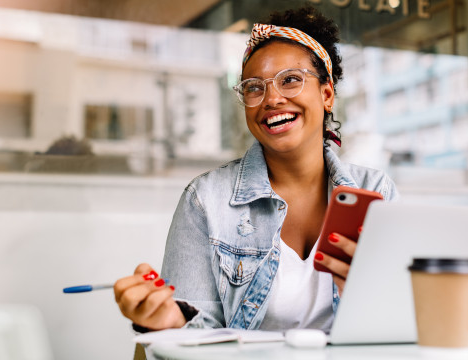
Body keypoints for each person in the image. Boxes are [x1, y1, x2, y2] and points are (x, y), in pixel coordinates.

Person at [113, 6, 399, 333]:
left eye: (290, 80)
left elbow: (403, 327)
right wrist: (169, 323)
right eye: (253, 87)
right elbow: (194, 333)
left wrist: (368, 295)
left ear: (326, 94)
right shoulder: (205, 200)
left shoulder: (377, 194)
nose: (271, 99)